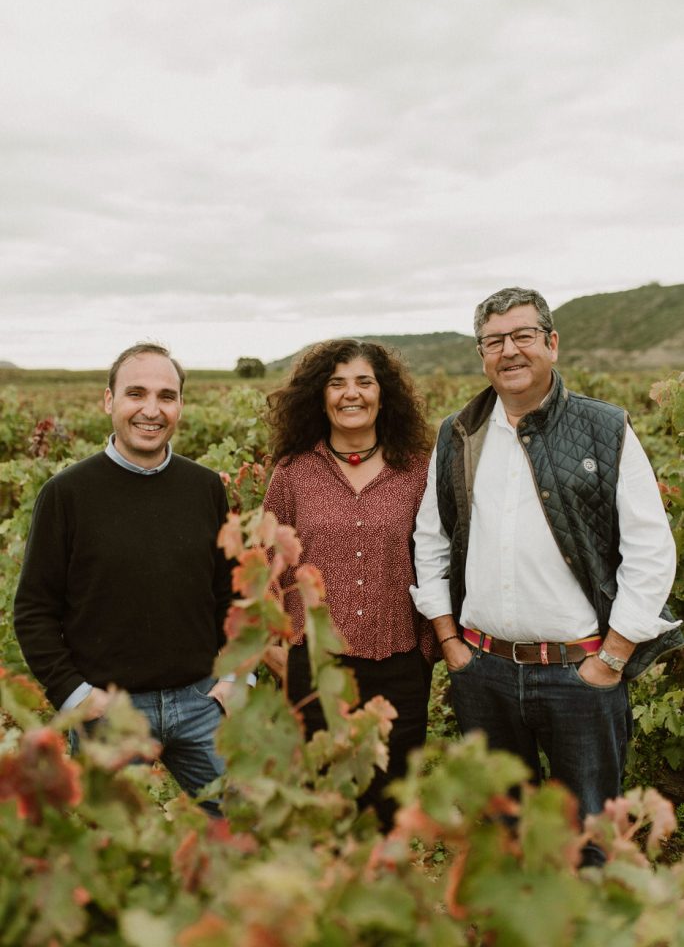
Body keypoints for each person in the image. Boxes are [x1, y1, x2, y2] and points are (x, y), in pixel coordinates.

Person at [411, 287, 681, 864]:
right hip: (483, 671)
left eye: (522, 336)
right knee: (502, 837)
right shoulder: (458, 434)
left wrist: (611, 658)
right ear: (481, 354)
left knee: (589, 839)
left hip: (579, 675)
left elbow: (651, 550)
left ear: (551, 343)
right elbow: (432, 540)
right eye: (494, 341)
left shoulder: (604, 428)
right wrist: (450, 642)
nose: (509, 350)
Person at [14, 342, 239, 814]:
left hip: (202, 704)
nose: (151, 410)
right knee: (113, 848)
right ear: (108, 400)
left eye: (166, 396)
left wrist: (237, 678)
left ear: (180, 405)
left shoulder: (204, 487)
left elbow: (231, 592)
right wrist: (77, 696)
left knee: (244, 830)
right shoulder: (65, 495)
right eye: (136, 393)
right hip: (109, 715)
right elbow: (34, 611)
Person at [262, 338, 436, 828]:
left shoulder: (417, 471)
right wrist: (273, 646)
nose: (351, 393)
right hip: (315, 668)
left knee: (389, 805)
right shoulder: (293, 473)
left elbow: (437, 559)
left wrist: (429, 650)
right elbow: (269, 561)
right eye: (336, 383)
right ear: (320, 397)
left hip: (399, 666)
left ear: (384, 394)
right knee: (321, 804)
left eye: (364, 382)